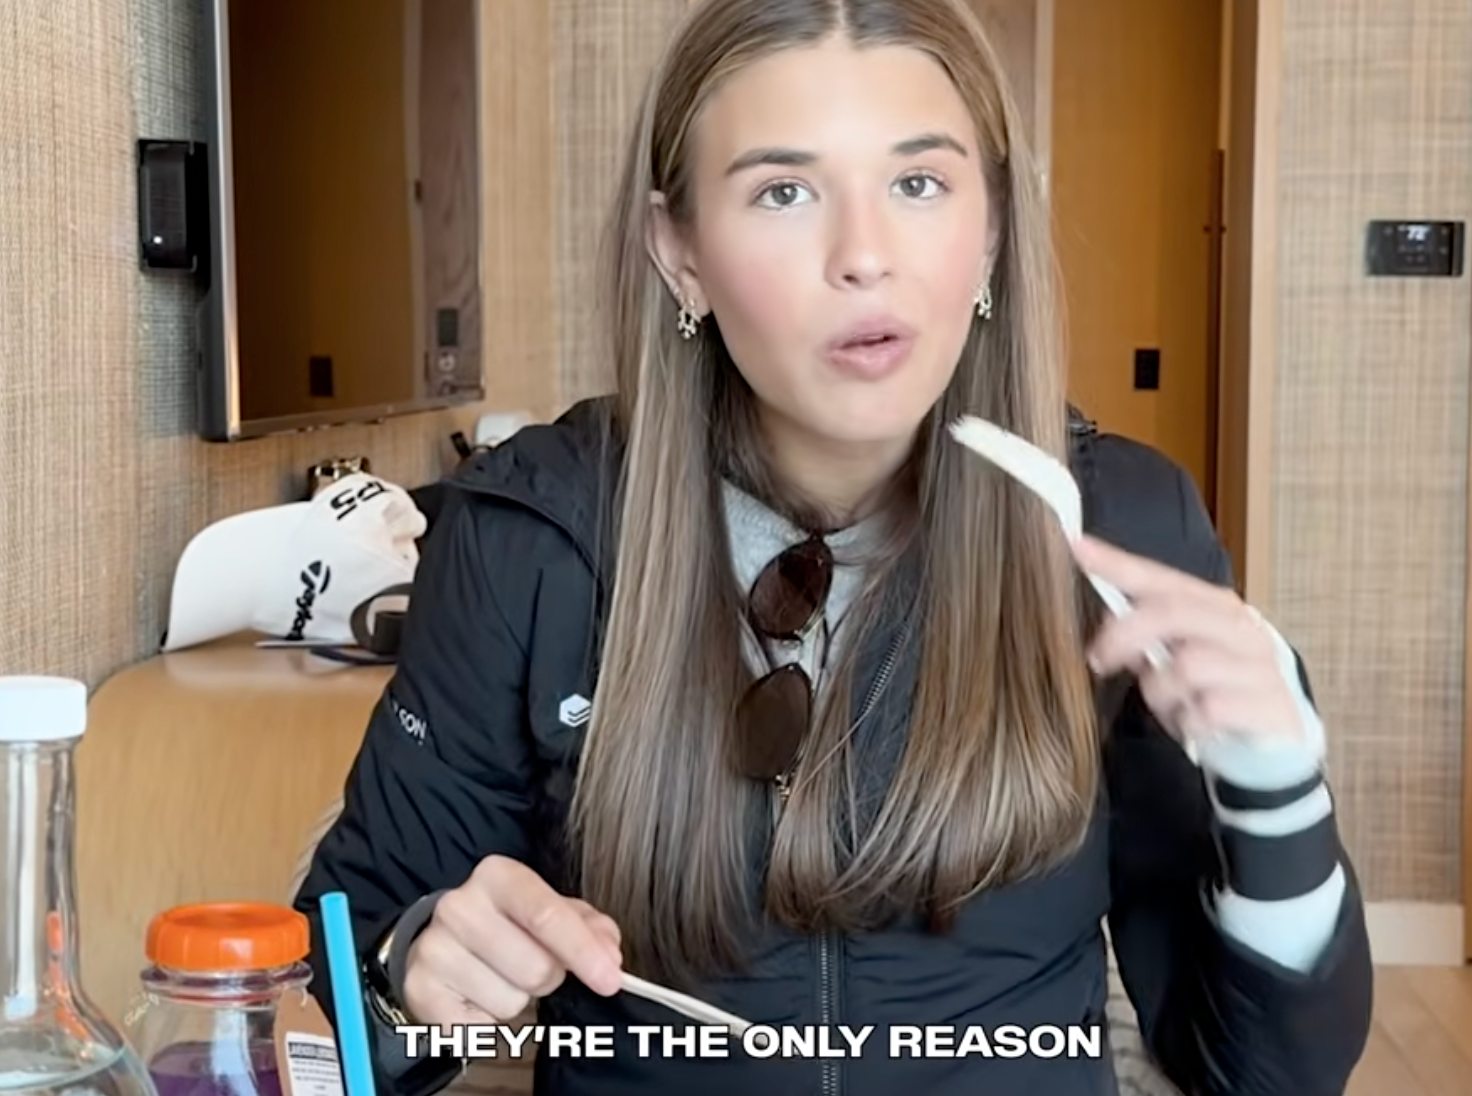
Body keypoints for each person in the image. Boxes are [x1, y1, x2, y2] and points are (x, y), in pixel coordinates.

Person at [293, 1, 1373, 1093]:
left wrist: (1274, 793)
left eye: (917, 184)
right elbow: (327, 1013)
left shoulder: (1118, 528)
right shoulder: (528, 537)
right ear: (680, 254)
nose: (864, 258)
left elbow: (1257, 1071)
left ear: (989, 226)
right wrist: (410, 975)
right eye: (782, 191)